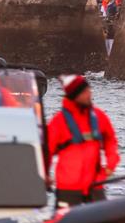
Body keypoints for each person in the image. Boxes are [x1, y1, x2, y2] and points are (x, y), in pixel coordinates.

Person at [47, 74, 119, 208]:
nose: (89, 94)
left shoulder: (99, 116)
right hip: (68, 186)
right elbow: (47, 151)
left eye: (89, 90)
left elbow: (111, 141)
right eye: (85, 92)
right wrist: (45, 175)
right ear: (75, 95)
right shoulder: (58, 121)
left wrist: (111, 163)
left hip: (95, 184)